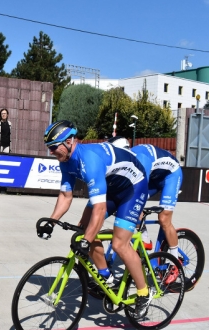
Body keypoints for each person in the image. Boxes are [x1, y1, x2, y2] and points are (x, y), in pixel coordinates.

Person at [38, 121, 153, 318]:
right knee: (84, 230)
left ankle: (144, 293)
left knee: (119, 244)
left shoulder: (89, 160)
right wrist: (51, 221)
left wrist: (87, 241)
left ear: (68, 142)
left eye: (53, 147)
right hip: (112, 188)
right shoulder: (66, 161)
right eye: (49, 148)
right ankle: (106, 279)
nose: (51, 152)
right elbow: (66, 196)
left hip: (133, 188)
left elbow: (99, 209)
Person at [108, 137, 183, 262]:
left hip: (171, 176)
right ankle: (145, 239)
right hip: (155, 176)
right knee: (129, 204)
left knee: (164, 219)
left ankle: (176, 261)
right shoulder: (127, 162)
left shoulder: (141, 160)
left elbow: (139, 193)